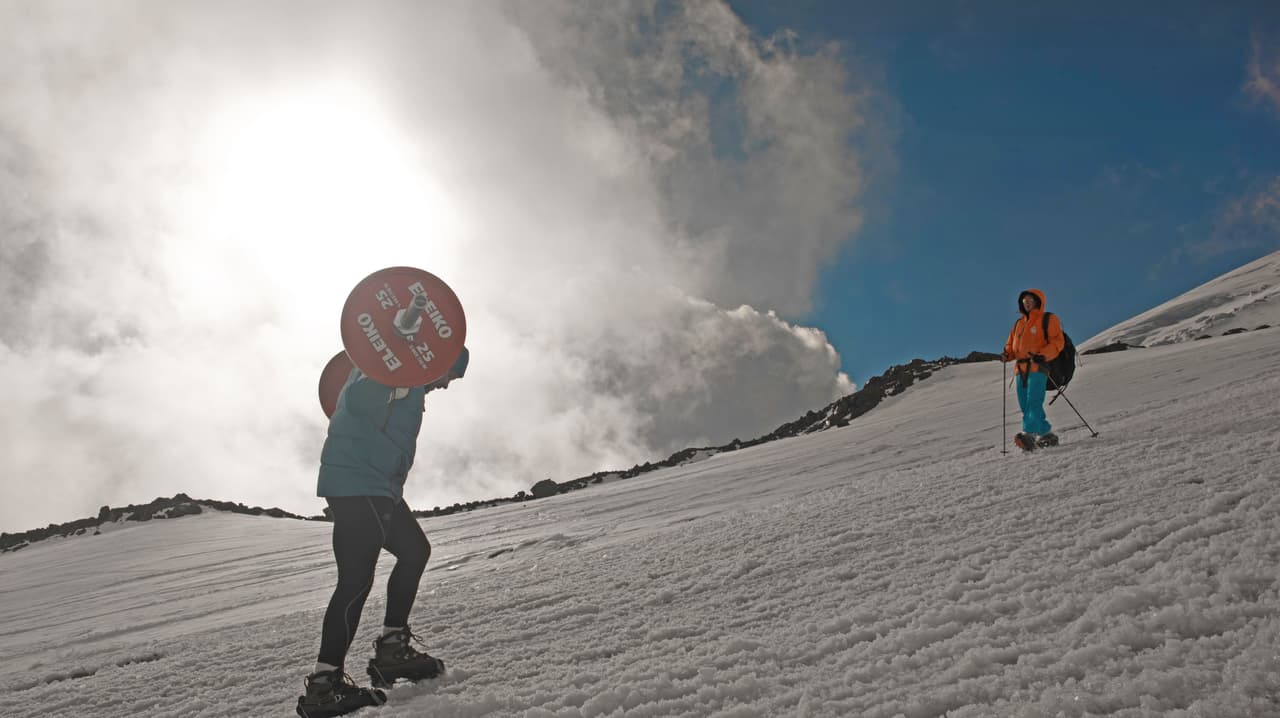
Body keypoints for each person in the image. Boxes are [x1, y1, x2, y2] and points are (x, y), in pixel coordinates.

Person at [296, 347, 470, 718]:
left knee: (414, 551)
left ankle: (392, 650)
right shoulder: (393, 373)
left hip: (376, 488)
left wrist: (402, 384)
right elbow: (360, 401)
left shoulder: (406, 382)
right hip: (359, 485)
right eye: (449, 376)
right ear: (435, 362)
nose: (446, 385)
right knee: (355, 580)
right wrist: (396, 382)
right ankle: (324, 687)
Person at [1002, 289, 1064, 451]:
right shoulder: (1018, 324)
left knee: (1033, 401)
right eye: (1024, 301)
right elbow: (1011, 345)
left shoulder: (1048, 319)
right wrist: (1007, 354)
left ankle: (1028, 434)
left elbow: (1057, 342)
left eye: (1030, 300)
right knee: (1025, 404)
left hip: (1038, 366)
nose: (1027, 303)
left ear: (1038, 301)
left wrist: (1043, 355)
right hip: (1020, 369)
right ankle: (1046, 434)